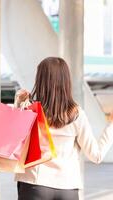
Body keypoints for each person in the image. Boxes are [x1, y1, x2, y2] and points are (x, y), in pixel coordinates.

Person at [14, 57, 113, 200]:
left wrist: (18, 104)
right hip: (67, 187)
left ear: (40, 79)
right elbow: (96, 156)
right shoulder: (76, 114)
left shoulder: (29, 109)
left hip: (34, 183)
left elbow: (14, 144)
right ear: (66, 81)